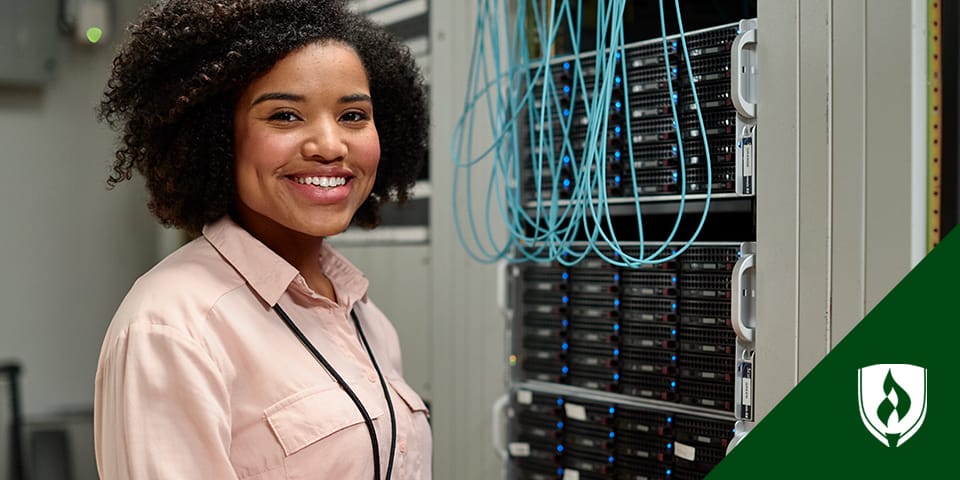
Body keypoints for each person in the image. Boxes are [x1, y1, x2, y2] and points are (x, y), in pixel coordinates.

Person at [93, 0, 431, 478]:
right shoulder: (171, 327)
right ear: (218, 137)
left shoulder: (368, 319)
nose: (330, 145)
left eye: (353, 115)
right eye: (286, 116)